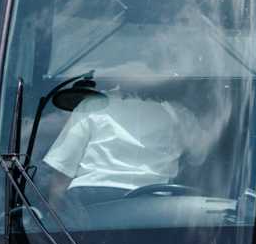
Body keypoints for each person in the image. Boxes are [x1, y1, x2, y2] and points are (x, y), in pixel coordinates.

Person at [39, 84, 187, 210]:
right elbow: (202, 153)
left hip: (91, 200)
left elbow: (62, 172)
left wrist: (53, 218)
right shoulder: (177, 113)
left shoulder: (92, 104)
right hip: (154, 204)